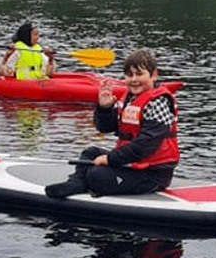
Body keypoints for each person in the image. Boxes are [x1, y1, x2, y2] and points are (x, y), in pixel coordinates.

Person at [45, 49, 179, 198]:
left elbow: (145, 145)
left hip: (153, 173)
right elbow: (105, 128)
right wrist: (105, 108)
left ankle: (87, 181)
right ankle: (76, 183)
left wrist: (110, 159)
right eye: (129, 75)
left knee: (97, 175)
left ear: (154, 75)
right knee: (90, 153)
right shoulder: (129, 98)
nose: (134, 79)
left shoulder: (159, 103)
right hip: (133, 164)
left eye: (139, 74)